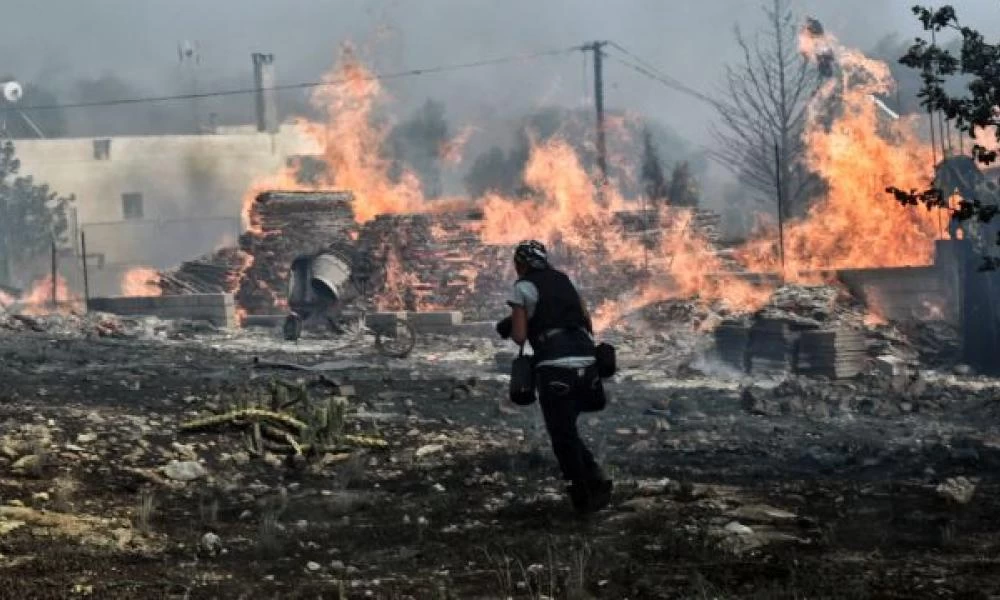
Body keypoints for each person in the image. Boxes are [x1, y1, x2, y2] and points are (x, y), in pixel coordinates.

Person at [496, 240, 612, 514]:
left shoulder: (523, 287)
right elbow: (586, 320)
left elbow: (520, 336)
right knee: (566, 430)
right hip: (587, 363)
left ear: (522, 263)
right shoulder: (564, 281)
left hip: (555, 368)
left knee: (562, 438)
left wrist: (513, 321)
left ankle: (584, 500)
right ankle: (596, 478)